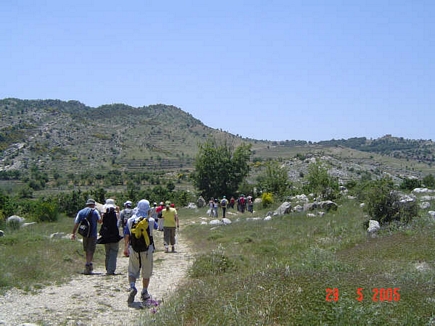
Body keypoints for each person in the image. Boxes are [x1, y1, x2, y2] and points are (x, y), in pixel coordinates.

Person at [124, 199, 155, 305]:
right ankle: (144, 292)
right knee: (146, 272)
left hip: (134, 249)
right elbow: (155, 229)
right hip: (147, 250)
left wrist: (126, 247)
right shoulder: (150, 221)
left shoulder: (130, 220)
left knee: (132, 270)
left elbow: (128, 234)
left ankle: (132, 286)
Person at [71, 198, 102, 275]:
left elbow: (76, 223)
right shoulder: (95, 212)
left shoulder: (81, 212)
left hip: (85, 234)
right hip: (93, 234)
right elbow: (100, 221)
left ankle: (88, 263)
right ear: (93, 204)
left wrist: (73, 233)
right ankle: (88, 264)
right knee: (91, 250)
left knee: (86, 249)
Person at [97, 199, 123, 275]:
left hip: (106, 235)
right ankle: (111, 270)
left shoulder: (103, 214)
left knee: (107, 252)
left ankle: (107, 267)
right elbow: (119, 220)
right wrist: (118, 210)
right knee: (113, 252)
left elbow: (101, 221)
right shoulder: (116, 214)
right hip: (114, 235)